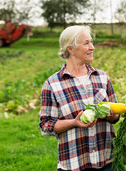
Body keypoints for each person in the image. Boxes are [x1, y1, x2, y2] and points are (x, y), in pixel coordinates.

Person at [39, 25, 119, 171]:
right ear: (71, 49)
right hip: (74, 162)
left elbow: (115, 116)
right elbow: (45, 125)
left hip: (106, 160)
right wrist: (74, 122)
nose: (92, 47)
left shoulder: (102, 77)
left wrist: (111, 116)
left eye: (92, 42)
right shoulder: (52, 84)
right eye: (86, 43)